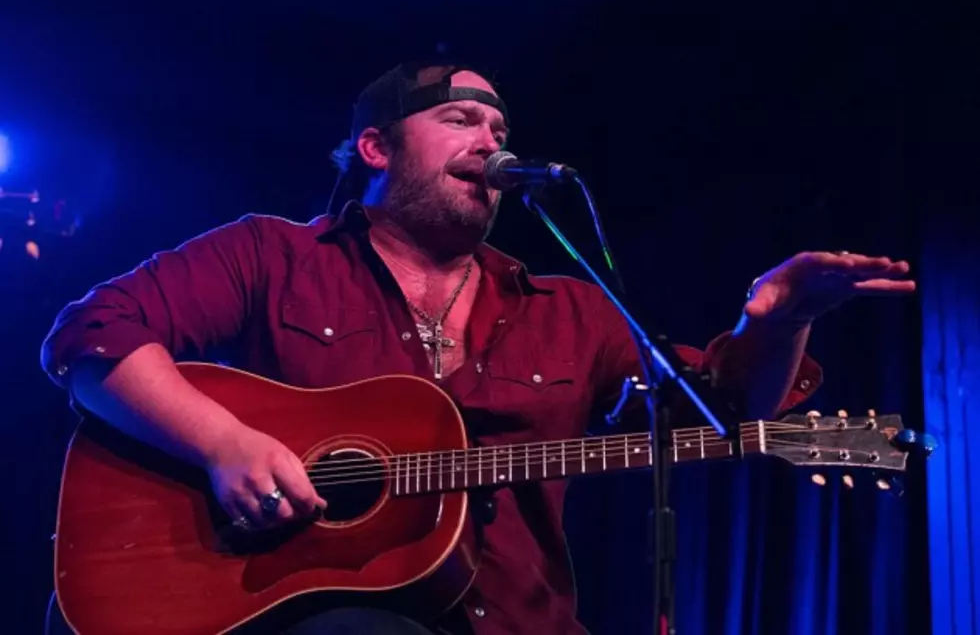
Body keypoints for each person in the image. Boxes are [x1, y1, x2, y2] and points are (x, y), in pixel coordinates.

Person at [39, 60, 915, 635]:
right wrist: (226, 443)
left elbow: (721, 412)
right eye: (462, 119)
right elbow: (91, 337)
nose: (493, 142)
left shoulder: (571, 308)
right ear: (376, 147)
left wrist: (777, 319)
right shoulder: (273, 256)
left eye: (500, 130)